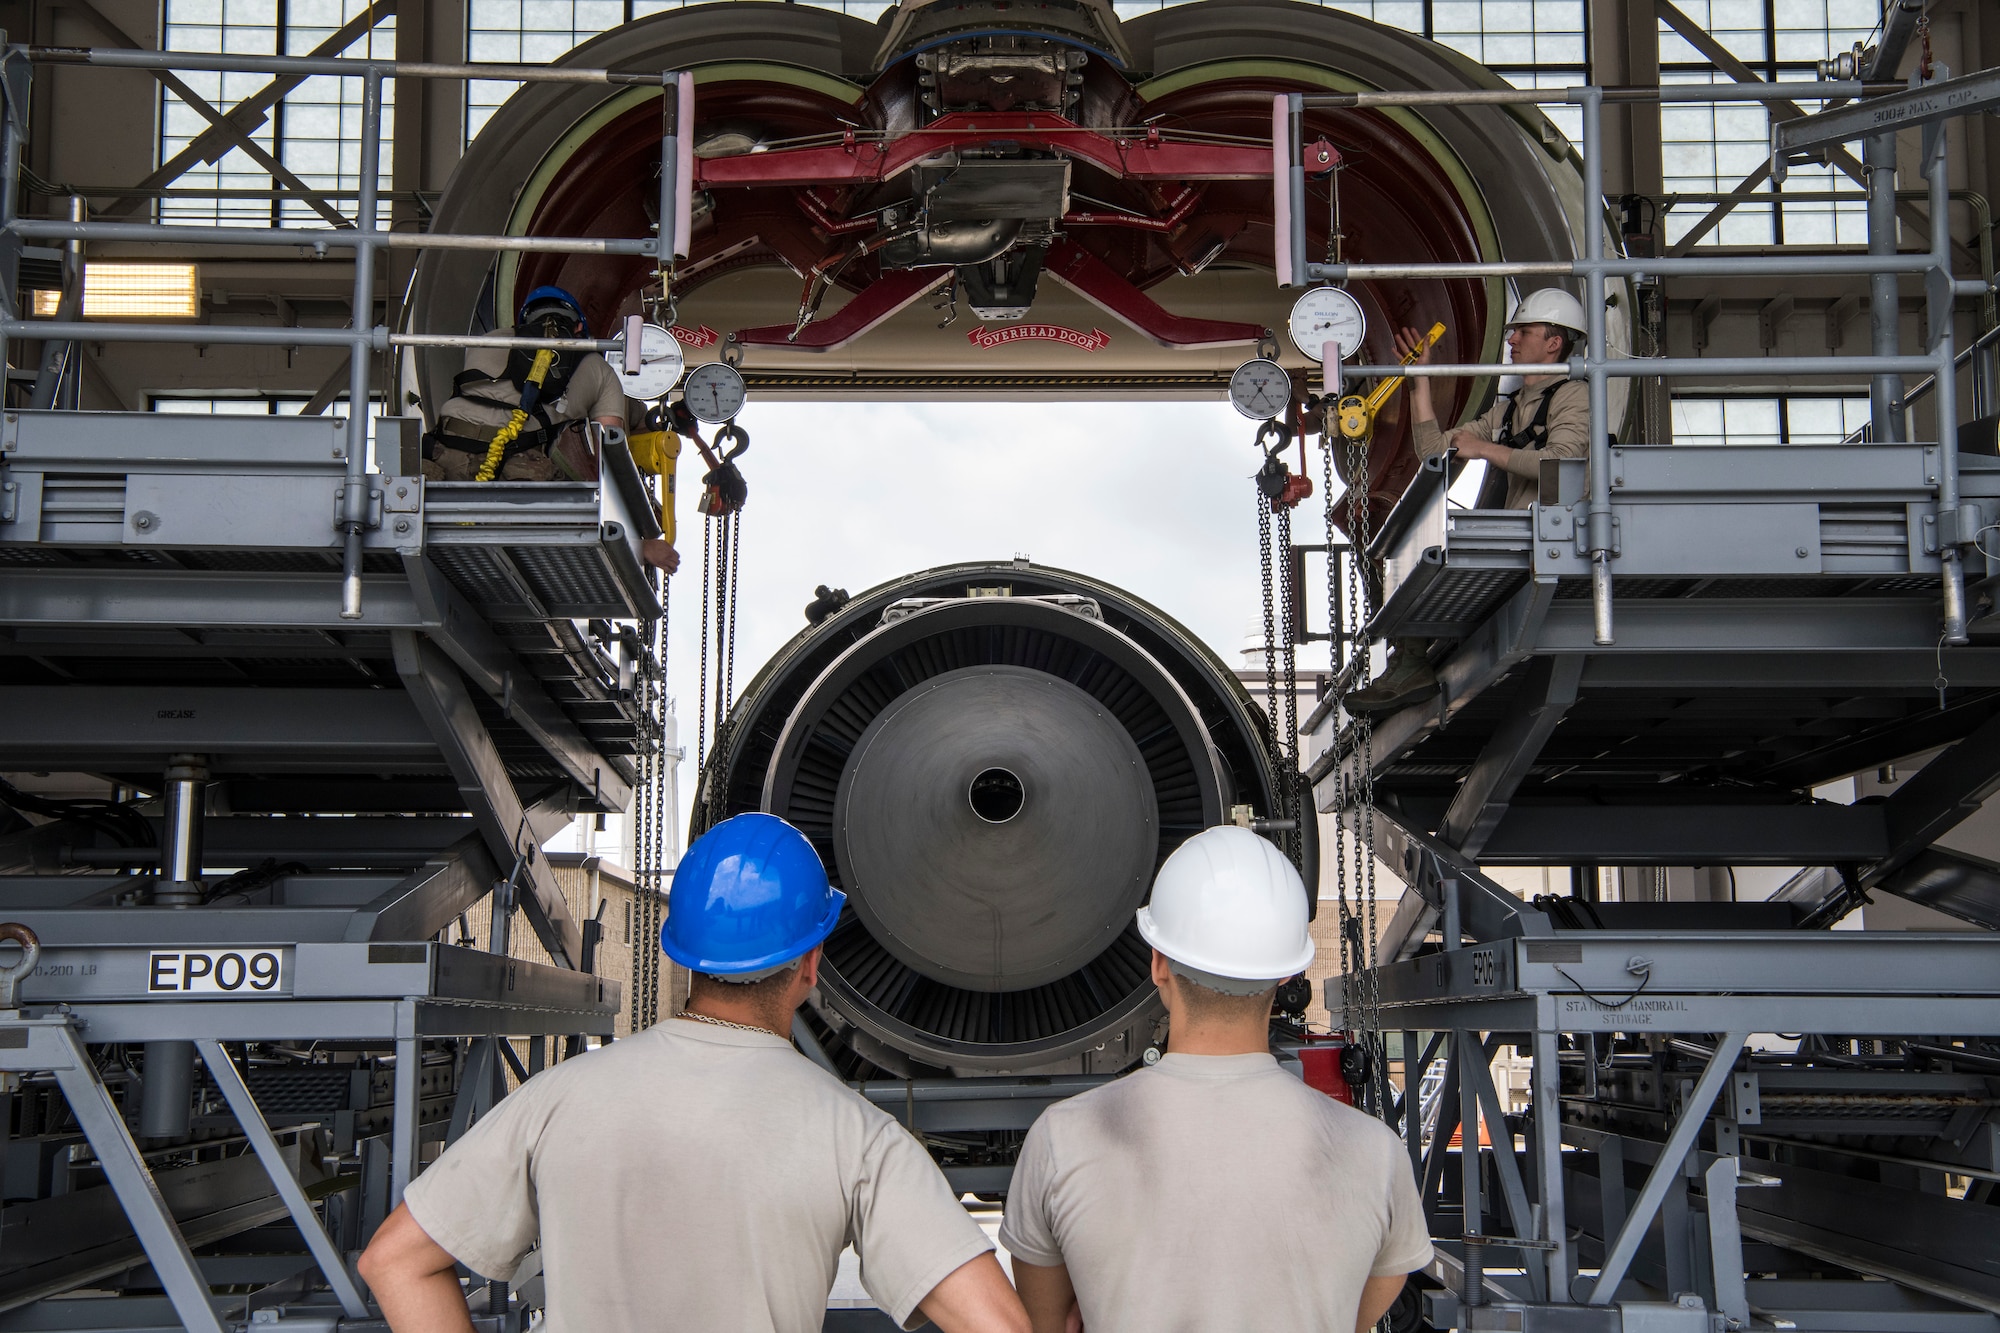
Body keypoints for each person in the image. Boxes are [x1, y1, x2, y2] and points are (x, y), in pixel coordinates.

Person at [359, 812, 1029, 1333]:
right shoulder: (854, 1135)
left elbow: (394, 1261)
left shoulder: (557, 1099)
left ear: (684, 952)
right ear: (809, 965)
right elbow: (997, 1322)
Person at [1001, 826, 1433, 1333]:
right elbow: (1357, 1311)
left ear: (1159, 964)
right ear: (1287, 976)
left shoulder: (1062, 1138)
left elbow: (1043, 1321)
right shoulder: (1377, 1154)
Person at [1346, 287, 1591, 714]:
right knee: (1402, 556)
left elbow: (1562, 463)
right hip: (1523, 535)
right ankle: (1407, 661)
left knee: (1428, 557)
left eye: (1523, 332)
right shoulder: (1512, 408)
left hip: (1549, 537)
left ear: (1555, 343)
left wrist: (1485, 451)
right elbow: (1435, 452)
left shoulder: (1575, 396)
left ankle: (1410, 665)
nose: (1511, 340)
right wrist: (1419, 381)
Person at [425, 284, 678, 573]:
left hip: (444, 459)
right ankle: (641, 549)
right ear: (579, 325)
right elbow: (609, 455)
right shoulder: (599, 369)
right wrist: (639, 537)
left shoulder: (490, 340)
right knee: (583, 501)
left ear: (523, 321)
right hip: (517, 475)